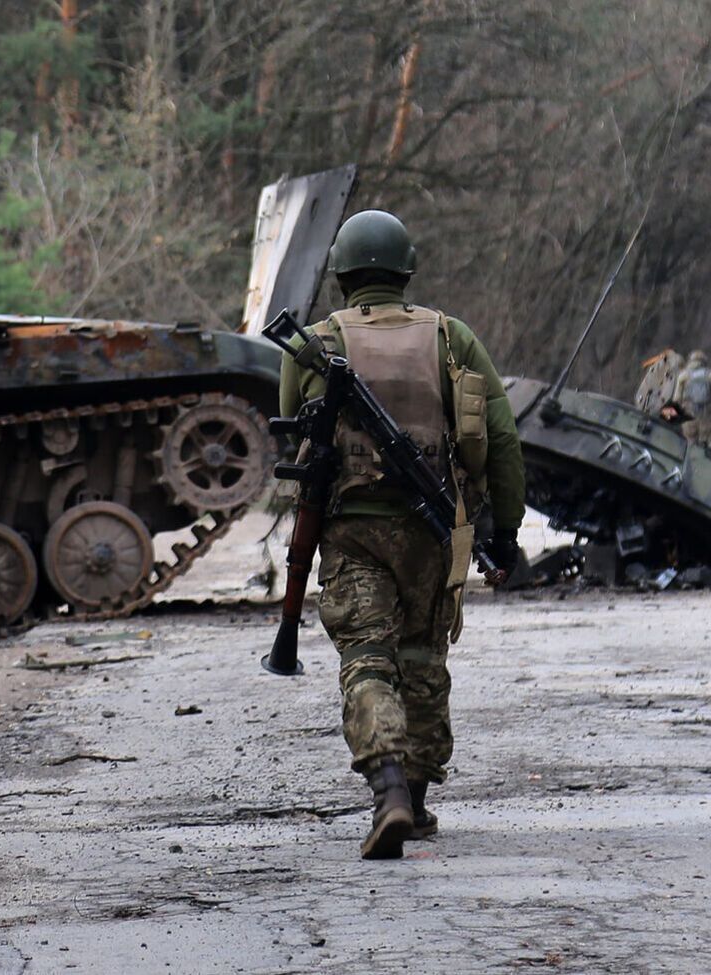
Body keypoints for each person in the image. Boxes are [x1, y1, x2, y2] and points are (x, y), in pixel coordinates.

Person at [279, 209, 525, 859]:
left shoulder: (313, 345)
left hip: (352, 532)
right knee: (421, 657)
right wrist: (506, 528)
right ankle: (413, 800)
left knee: (367, 659)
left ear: (342, 275)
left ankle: (386, 788)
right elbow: (500, 440)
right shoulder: (452, 337)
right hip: (433, 531)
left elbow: (295, 441)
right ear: (405, 271)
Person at [674, 349, 711, 445]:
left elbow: (677, 399)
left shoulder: (683, 375)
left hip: (688, 412)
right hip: (704, 412)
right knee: (706, 442)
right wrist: (710, 401)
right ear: (704, 361)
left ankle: (691, 459)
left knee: (690, 441)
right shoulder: (710, 374)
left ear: (690, 360)